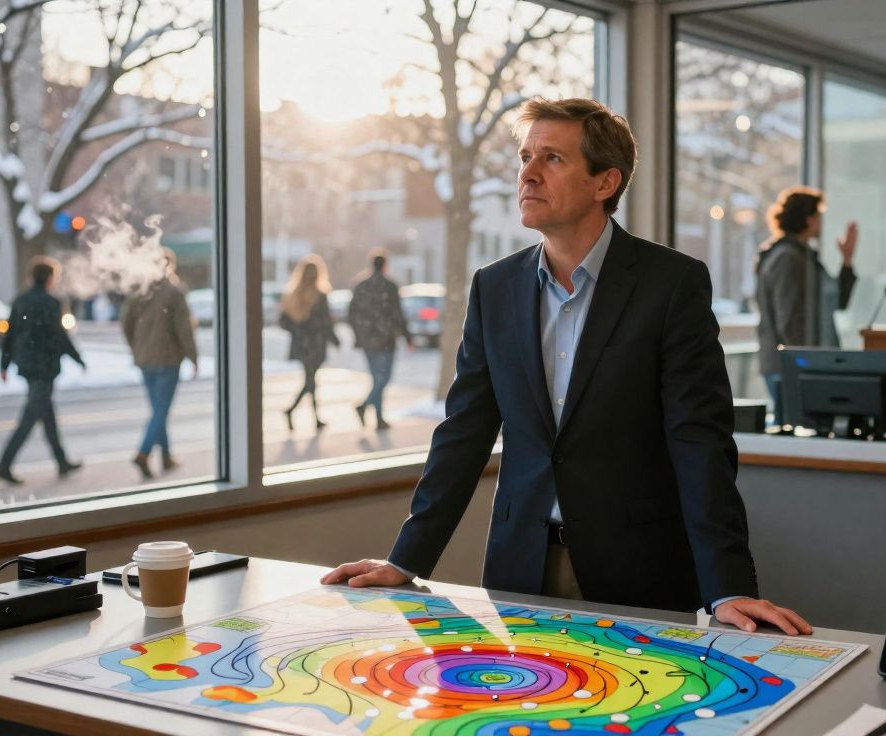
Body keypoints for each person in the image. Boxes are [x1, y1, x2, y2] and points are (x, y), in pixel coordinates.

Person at [323, 98, 811, 636]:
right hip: (519, 568)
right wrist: (406, 559)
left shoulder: (671, 285)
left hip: (639, 572)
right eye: (525, 156)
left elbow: (700, 444)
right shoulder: (494, 287)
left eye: (551, 159)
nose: (526, 174)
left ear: (606, 183)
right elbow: (464, 431)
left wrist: (728, 584)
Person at [755, 186, 858, 426]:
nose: (821, 220)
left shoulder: (804, 257)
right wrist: (806, 364)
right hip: (789, 368)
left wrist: (847, 260)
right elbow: (789, 319)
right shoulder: (787, 258)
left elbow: (838, 301)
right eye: (818, 214)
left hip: (799, 365)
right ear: (807, 218)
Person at [0, 256, 84, 484]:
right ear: (50, 278)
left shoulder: (20, 301)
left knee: (47, 415)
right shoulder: (52, 303)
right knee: (31, 417)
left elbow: (10, 335)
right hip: (45, 367)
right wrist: (78, 358)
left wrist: (4, 365)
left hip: (27, 365)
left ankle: (61, 461)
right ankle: (4, 464)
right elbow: (59, 337)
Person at [121, 247, 199, 479]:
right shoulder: (175, 292)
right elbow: (184, 329)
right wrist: (193, 356)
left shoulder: (139, 291)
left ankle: (165, 457)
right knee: (161, 411)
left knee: (157, 409)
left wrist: (136, 348)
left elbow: (126, 323)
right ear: (170, 266)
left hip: (145, 359)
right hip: (167, 358)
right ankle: (143, 453)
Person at [348, 249, 411, 431]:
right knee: (383, 378)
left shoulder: (361, 286)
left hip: (368, 340)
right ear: (385, 265)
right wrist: (407, 336)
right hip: (386, 339)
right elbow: (398, 314)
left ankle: (378, 418)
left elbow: (352, 313)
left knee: (378, 377)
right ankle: (366, 407)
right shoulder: (390, 286)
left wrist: (360, 334)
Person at [279, 255, 340, 431]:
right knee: (310, 382)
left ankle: (310, 416)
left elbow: (284, 322)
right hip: (315, 344)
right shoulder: (320, 296)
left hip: (301, 345)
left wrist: (299, 329)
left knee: (310, 381)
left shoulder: (293, 295)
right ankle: (293, 411)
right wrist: (333, 339)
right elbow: (325, 323)